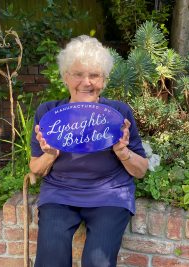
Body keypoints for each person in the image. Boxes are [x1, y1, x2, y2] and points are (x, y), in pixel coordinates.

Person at [29, 35, 148, 267]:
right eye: (78, 74)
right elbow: (35, 167)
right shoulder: (50, 114)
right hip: (60, 193)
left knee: (98, 262)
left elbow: (141, 170)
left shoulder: (118, 114)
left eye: (94, 75)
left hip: (110, 194)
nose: (87, 82)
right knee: (50, 260)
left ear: (103, 80)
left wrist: (123, 152)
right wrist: (51, 153)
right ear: (65, 77)